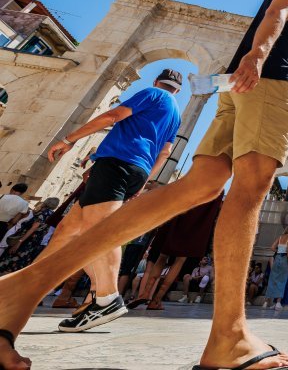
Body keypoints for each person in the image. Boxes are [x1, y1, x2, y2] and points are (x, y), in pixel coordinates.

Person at [0, 0, 288, 370]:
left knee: (199, 186)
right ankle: (230, 338)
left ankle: (21, 287)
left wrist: (268, 86)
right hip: (264, 84)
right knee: (250, 189)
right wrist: (259, 60)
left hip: (246, 90)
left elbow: (276, 36)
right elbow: (275, 17)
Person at [39, 68, 182, 331]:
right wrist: (143, 181)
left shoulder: (152, 93)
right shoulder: (175, 115)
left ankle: (106, 296)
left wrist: (70, 139)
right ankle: (31, 281)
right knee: (68, 229)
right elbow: (166, 152)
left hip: (118, 162)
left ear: (156, 81)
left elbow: (114, 115)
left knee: (101, 231)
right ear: (179, 90)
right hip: (137, 170)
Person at [0, 198, 59, 274]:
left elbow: (33, 228)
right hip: (35, 242)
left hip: (26, 241)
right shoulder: (53, 215)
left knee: (10, 260)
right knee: (18, 264)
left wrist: (19, 242)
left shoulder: (43, 213)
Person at [264, 226, 288, 310]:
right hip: (284, 259)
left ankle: (266, 302)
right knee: (282, 281)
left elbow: (272, 247)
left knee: (272, 280)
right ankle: (278, 303)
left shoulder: (280, 237)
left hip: (277, 258)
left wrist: (278, 251)